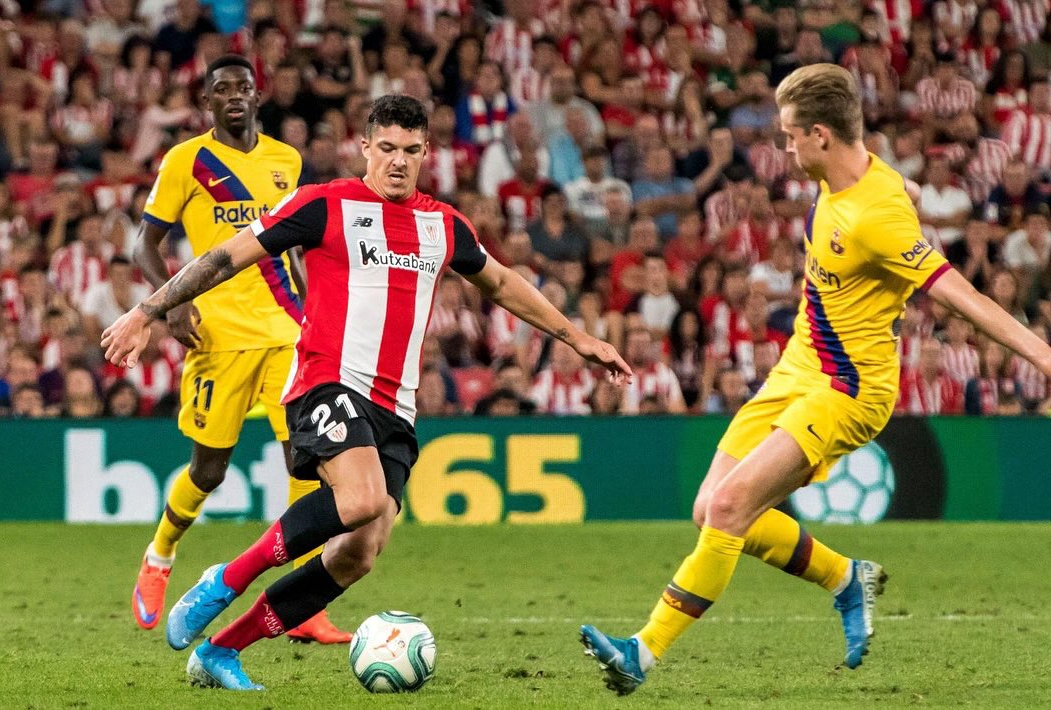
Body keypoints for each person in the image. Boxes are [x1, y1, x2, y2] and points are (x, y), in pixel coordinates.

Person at [102, 95, 631, 691]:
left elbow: (503, 283)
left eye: (411, 151)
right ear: (365, 148)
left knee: (359, 551)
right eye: (387, 149)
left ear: (427, 152)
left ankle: (223, 650)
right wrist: (148, 310)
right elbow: (225, 256)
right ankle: (224, 580)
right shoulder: (325, 205)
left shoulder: (443, 224)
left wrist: (579, 337)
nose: (398, 162)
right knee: (359, 501)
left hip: (394, 408)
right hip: (327, 380)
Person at [579, 64, 1051, 695]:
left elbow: (962, 296)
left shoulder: (875, 217)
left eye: (791, 136)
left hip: (848, 388)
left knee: (728, 507)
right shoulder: (857, 172)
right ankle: (844, 577)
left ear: (823, 135)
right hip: (800, 365)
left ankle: (644, 651)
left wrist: (1041, 354)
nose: (785, 149)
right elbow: (899, 189)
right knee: (708, 510)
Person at [129, 55, 351, 645]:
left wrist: (316, 315)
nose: (233, 96)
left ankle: (303, 608)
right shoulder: (187, 161)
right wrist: (172, 303)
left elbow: (297, 244)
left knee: (306, 462)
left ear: (259, 96)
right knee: (210, 469)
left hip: (285, 333)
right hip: (216, 338)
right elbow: (143, 243)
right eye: (221, 89)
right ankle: (160, 555)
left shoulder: (287, 160)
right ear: (206, 102)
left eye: (243, 87)